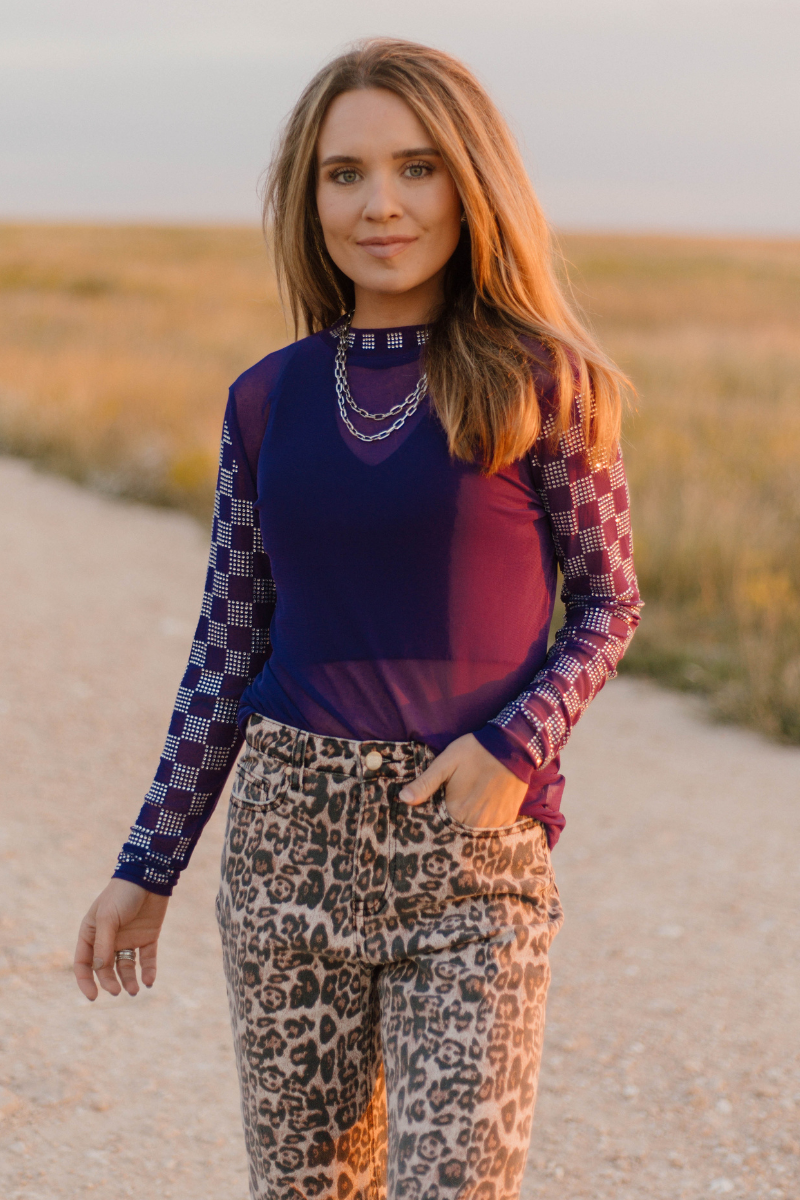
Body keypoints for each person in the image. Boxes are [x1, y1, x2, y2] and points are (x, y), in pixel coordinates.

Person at [74, 37, 641, 1200]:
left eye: (416, 167)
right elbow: (228, 642)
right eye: (345, 173)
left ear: (471, 184)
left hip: (472, 867)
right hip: (286, 856)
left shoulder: (545, 381)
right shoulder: (265, 398)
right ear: (310, 195)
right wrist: (148, 863)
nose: (380, 203)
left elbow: (607, 599)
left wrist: (514, 744)